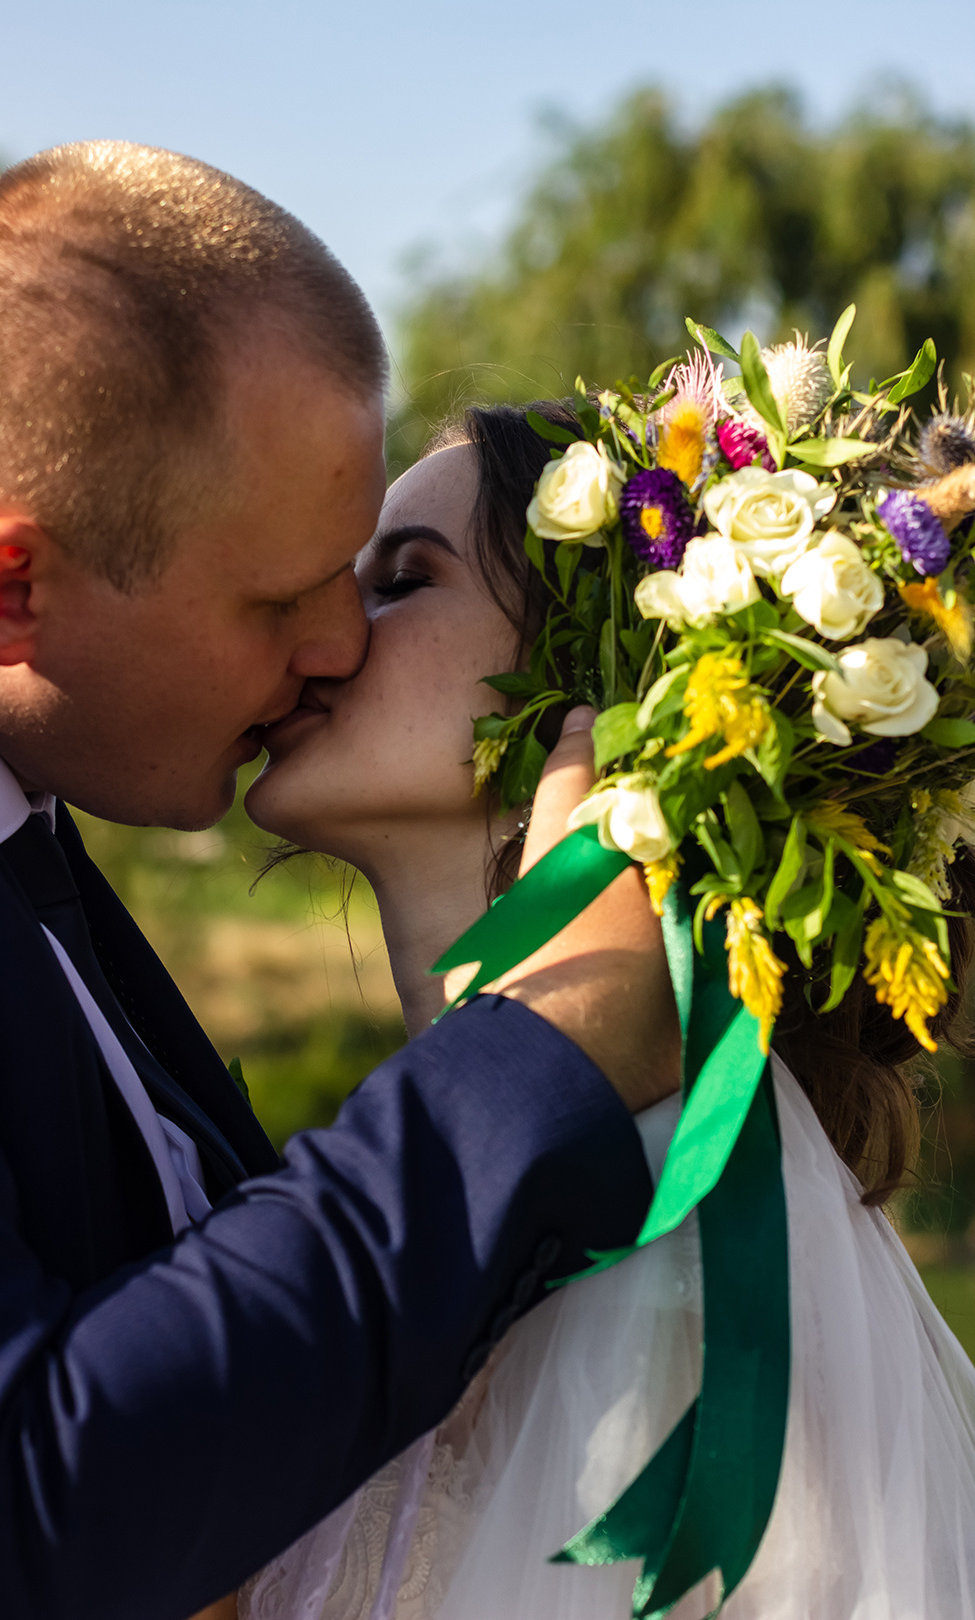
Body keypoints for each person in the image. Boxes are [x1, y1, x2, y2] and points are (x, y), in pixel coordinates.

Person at [0, 146, 675, 1620]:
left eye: (378, 573)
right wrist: (537, 1054)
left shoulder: (19, 840)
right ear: (9, 595)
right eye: (283, 597)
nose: (338, 645)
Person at [240, 402, 975, 1619]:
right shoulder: (389, 1183)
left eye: (400, 580)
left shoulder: (691, 1236)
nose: (319, 629)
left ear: (608, 684)